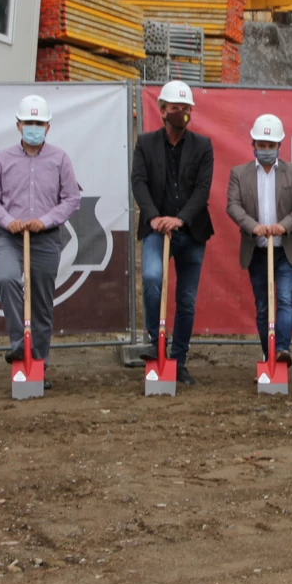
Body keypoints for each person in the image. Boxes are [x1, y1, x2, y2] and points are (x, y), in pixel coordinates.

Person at [0, 94, 81, 390]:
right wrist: (8, 220)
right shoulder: (2, 159)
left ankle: (38, 363)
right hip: (10, 237)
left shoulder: (60, 158)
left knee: (41, 303)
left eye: (39, 123)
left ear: (48, 127)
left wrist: (47, 220)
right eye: (29, 122)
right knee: (8, 279)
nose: (34, 127)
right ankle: (18, 346)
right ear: (18, 125)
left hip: (46, 238)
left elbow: (72, 198)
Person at [132, 80, 214, 386]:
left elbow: (202, 190)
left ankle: (178, 359)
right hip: (156, 229)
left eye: (185, 108)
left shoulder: (203, 146)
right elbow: (138, 182)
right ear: (162, 110)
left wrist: (179, 219)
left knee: (187, 299)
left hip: (191, 231)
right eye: (174, 108)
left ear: (191, 111)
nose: (180, 113)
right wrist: (153, 217)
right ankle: (156, 341)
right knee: (152, 279)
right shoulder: (145, 143)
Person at [225, 114, 292, 364]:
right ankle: (268, 354)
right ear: (253, 143)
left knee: (285, 300)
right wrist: (254, 227)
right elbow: (233, 205)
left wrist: (283, 227)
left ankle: (283, 350)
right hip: (257, 250)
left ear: (279, 146)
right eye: (261, 145)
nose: (265, 150)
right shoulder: (239, 174)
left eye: (270, 145)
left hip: (287, 249)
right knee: (263, 306)